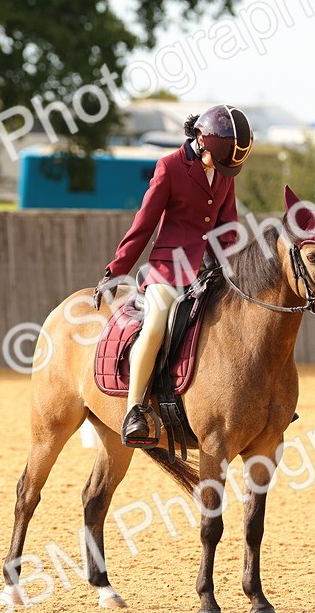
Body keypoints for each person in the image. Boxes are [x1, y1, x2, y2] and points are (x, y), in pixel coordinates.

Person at [93, 104, 254, 447]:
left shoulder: (223, 173)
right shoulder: (169, 167)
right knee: (154, 326)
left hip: (210, 270)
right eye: (218, 161)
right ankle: (135, 410)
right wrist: (116, 270)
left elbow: (228, 228)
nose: (222, 170)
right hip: (168, 270)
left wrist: (233, 269)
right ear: (201, 140)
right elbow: (144, 224)